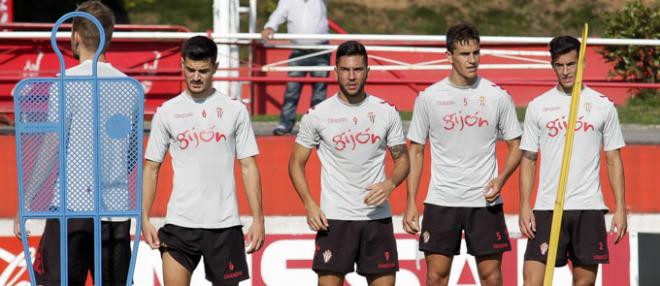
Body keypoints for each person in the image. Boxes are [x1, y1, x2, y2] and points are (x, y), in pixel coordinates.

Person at [13, 1, 134, 285]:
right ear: (110, 35)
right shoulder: (130, 87)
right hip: (115, 210)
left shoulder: (67, 82)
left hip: (71, 206)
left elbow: (52, 146)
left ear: (76, 36)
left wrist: (27, 200)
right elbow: (131, 156)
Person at [403, 23, 523, 286]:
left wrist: (501, 179)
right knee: (436, 276)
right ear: (449, 56)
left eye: (476, 53)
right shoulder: (429, 98)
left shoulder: (497, 96)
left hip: (485, 202)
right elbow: (416, 150)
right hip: (442, 200)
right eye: (464, 54)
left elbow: (517, 146)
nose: (472, 60)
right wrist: (411, 201)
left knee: (491, 276)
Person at [141, 35, 265, 286]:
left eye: (204, 71)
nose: (196, 77)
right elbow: (151, 169)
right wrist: (144, 217)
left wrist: (258, 218)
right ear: (182, 66)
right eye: (191, 70)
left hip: (225, 226)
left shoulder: (235, 109)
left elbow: (248, 165)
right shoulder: (166, 112)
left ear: (215, 68)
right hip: (179, 225)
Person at [289, 40, 409, 286]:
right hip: (334, 219)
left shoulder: (387, 112)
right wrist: (309, 204)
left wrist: (391, 184)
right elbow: (295, 164)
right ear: (336, 71)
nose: (351, 76)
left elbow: (403, 159)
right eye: (345, 70)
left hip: (376, 218)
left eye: (357, 69)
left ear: (367, 70)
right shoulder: (318, 115)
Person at [519, 35, 627, 286]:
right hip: (547, 207)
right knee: (532, 281)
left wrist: (621, 208)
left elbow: (613, 159)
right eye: (560, 65)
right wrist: (525, 205)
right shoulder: (538, 106)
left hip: (588, 207)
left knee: (584, 283)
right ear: (552, 65)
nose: (566, 71)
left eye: (571, 64)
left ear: (583, 63)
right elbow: (529, 158)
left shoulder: (603, 106)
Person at [261, 0, 330, 135]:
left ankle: (315, 127)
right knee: (292, 90)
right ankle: (285, 123)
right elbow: (279, 14)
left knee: (320, 93)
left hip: (321, 50)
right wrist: (270, 27)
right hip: (298, 52)